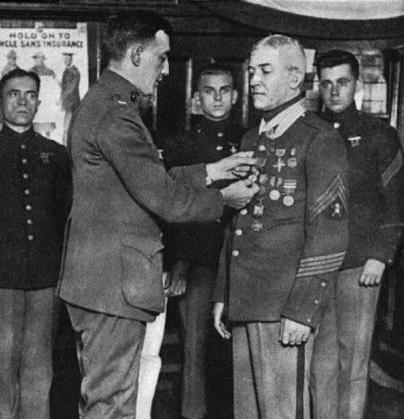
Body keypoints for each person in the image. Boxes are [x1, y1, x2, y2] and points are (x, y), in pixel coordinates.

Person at [57, 10, 258, 418]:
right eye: (160, 57)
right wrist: (225, 200)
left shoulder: (107, 105)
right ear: (135, 54)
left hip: (100, 282)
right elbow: (165, 198)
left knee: (109, 398)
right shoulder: (116, 115)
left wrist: (212, 171)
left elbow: (146, 176)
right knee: (112, 404)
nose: (165, 70)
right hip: (113, 286)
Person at [212, 34, 348, 419]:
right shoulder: (252, 137)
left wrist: (303, 310)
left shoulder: (319, 140)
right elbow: (237, 222)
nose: (253, 79)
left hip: (285, 306)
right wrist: (224, 292)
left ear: (294, 78)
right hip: (246, 301)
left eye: (265, 71)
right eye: (253, 70)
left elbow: (330, 233)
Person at [0, 68, 72, 419]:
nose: (22, 101)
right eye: (13, 94)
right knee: (4, 371)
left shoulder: (56, 155)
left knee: (40, 372)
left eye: (29, 95)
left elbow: (67, 219)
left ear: (39, 102)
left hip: (46, 281)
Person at [311, 49, 404, 419]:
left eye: (343, 82)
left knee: (353, 359)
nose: (334, 91)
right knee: (320, 358)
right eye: (327, 83)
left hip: (359, 264)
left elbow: (396, 199)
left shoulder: (378, 133)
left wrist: (380, 256)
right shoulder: (310, 131)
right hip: (315, 263)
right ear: (319, 86)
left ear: (357, 85)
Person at [161, 63, 245, 419]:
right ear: (196, 98)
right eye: (209, 91)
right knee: (195, 351)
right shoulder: (180, 145)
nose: (217, 98)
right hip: (197, 262)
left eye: (224, 90)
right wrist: (178, 261)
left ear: (236, 96)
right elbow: (172, 208)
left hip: (240, 262)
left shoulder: (250, 140)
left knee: (235, 354)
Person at [60, 52, 81, 144]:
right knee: (67, 123)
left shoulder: (74, 72)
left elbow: (71, 88)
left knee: (69, 124)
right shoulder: (66, 71)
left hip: (72, 102)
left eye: (67, 59)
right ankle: (65, 142)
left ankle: (67, 143)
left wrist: (61, 97)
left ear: (71, 59)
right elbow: (64, 86)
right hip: (67, 102)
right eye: (64, 59)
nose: (66, 60)